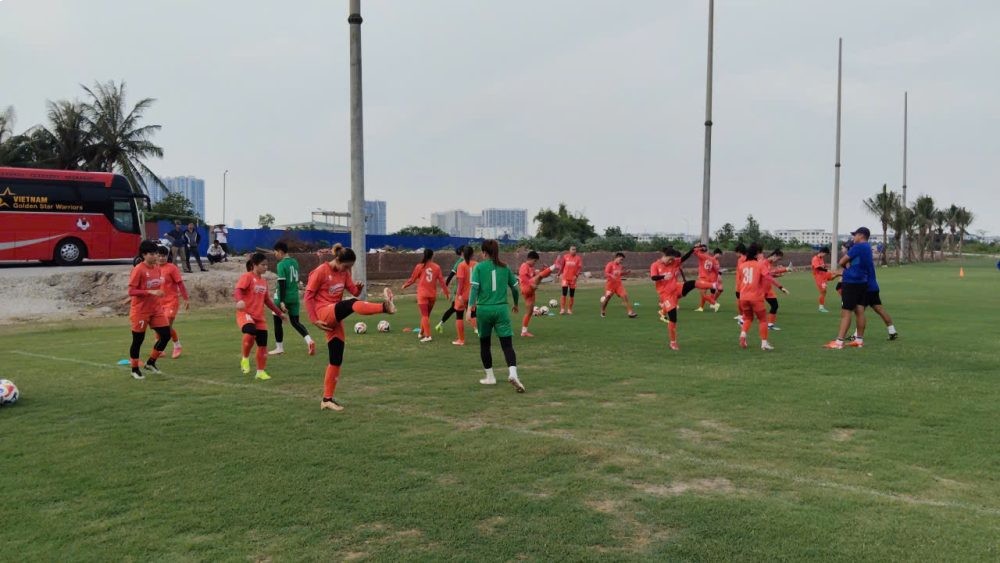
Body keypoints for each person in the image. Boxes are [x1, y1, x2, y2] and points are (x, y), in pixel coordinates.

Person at [304, 243, 396, 412]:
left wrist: (358, 288)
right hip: (323, 313)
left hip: (335, 316)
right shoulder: (321, 271)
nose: (347, 270)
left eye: (350, 268)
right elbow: (308, 297)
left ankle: (327, 399)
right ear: (338, 260)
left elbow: (353, 292)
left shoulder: (344, 273)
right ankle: (384, 307)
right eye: (346, 266)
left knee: (336, 358)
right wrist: (314, 320)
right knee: (351, 304)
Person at [469, 240, 525, 392]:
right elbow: (515, 288)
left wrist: (470, 308)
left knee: (485, 344)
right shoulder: (505, 267)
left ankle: (490, 377)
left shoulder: (479, 267)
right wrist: (515, 303)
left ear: (484, 252)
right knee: (507, 345)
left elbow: (474, 288)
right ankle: (513, 373)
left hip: (484, 310)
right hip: (501, 310)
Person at [234, 253, 285, 380]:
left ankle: (260, 372)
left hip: (259, 317)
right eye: (263, 265)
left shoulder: (263, 281)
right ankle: (245, 359)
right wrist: (239, 300)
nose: (265, 267)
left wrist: (279, 313)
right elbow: (238, 290)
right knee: (250, 331)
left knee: (262, 345)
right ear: (254, 265)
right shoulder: (247, 277)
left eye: (267, 265)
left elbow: (267, 300)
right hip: (245, 313)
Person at [126, 240, 171, 379]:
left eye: (156, 253)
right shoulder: (138, 269)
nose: (155, 256)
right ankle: (134, 369)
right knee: (138, 340)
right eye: (152, 254)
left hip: (155, 309)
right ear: (144, 255)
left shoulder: (157, 268)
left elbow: (155, 286)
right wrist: (150, 292)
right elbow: (131, 291)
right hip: (140, 310)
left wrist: (159, 292)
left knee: (166, 335)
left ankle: (151, 362)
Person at [825, 228, 874, 349]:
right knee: (859, 311)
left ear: (861, 235)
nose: (854, 237)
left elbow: (842, 261)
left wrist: (846, 266)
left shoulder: (858, 247)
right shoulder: (868, 248)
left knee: (846, 312)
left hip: (851, 282)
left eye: (855, 235)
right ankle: (859, 340)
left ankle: (839, 342)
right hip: (863, 281)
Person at [268, 242, 316, 356]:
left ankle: (279, 347)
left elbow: (282, 283)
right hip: (295, 296)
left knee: (277, 321)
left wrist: (282, 301)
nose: (275, 255)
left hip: (283, 297)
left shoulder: (281, 264)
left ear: (280, 251)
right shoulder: (294, 262)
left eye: (275, 252)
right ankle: (309, 341)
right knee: (295, 322)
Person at [737, 243, 786, 350]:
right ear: (756, 254)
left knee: (748, 318)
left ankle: (743, 336)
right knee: (763, 320)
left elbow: (741, 281)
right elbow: (768, 277)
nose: (762, 255)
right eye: (760, 253)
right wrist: (781, 287)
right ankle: (764, 344)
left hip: (743, 297)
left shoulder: (742, 266)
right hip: (755, 297)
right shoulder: (760, 265)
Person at [402, 249, 450, 342]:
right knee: (426, 315)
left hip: (422, 294)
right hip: (432, 295)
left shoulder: (419, 266)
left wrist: (405, 285)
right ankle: (421, 333)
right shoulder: (437, 267)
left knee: (424, 315)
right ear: (432, 256)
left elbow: (412, 279)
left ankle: (428, 336)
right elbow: (442, 282)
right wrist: (446, 292)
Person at [156, 246, 190, 359]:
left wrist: (186, 299)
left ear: (167, 256)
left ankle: (177, 345)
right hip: (157, 303)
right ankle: (159, 349)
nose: (161, 258)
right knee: (158, 326)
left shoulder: (172, 268)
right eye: (159, 256)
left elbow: (180, 284)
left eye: (164, 256)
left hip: (171, 301)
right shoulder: (153, 268)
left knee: (165, 324)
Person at [855, 253, 899, 341]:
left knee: (860, 312)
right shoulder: (869, 261)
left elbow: (859, 275)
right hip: (874, 287)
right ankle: (892, 331)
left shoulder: (861, 261)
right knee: (880, 309)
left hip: (865, 288)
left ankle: (857, 335)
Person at [650, 247, 685, 350]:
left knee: (684, 291)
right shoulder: (655, 265)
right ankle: (673, 342)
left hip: (674, 289)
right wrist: (663, 277)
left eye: (673, 259)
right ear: (665, 256)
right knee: (673, 317)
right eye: (670, 259)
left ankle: (663, 310)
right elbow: (653, 277)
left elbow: (683, 260)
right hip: (665, 294)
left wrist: (694, 249)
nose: (672, 261)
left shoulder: (674, 264)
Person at [518, 251, 556, 337]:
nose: (535, 263)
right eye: (535, 261)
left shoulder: (531, 268)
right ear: (530, 259)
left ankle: (524, 332)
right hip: (526, 288)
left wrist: (544, 270)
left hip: (530, 291)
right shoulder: (524, 266)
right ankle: (555, 265)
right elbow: (523, 277)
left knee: (529, 312)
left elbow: (539, 274)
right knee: (539, 277)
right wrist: (531, 284)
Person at [434, 247, 466, 335]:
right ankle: (440, 324)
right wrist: (444, 287)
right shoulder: (459, 262)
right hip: (459, 291)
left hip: (465, 290)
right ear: (463, 252)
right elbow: (451, 275)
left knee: (457, 309)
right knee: (456, 309)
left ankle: (440, 324)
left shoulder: (468, 262)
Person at [451, 246, 478, 346]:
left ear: (463, 253)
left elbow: (460, 283)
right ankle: (479, 331)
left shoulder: (461, 265)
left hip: (463, 295)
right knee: (473, 314)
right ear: (472, 254)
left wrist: (458, 295)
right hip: (473, 294)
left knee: (459, 317)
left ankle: (461, 340)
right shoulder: (476, 264)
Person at [600, 252, 637, 318]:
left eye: (622, 260)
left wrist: (626, 273)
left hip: (618, 285)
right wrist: (611, 276)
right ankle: (602, 311)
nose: (621, 261)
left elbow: (620, 274)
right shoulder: (610, 264)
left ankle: (630, 312)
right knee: (607, 299)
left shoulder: (620, 266)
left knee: (625, 297)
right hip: (610, 285)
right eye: (621, 259)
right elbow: (606, 273)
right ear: (616, 258)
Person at [763, 249, 790, 331]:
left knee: (775, 306)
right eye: (778, 259)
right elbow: (767, 276)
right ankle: (743, 319)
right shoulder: (764, 263)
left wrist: (780, 274)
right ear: (774, 256)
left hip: (768, 290)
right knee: (756, 308)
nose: (777, 261)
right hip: (761, 289)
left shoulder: (769, 264)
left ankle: (770, 325)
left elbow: (770, 275)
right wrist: (781, 287)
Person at [693, 245, 723, 312]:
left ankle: (714, 303)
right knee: (703, 294)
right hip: (708, 277)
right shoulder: (710, 258)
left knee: (703, 294)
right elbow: (715, 269)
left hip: (702, 277)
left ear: (702, 250)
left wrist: (698, 247)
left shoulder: (702, 256)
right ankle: (701, 307)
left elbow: (694, 251)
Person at [811, 247, 841, 313]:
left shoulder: (821, 258)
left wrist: (826, 268)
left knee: (834, 275)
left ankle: (841, 275)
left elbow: (822, 266)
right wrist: (827, 270)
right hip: (819, 277)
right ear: (822, 252)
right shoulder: (815, 259)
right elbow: (818, 268)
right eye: (826, 254)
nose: (825, 255)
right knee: (823, 291)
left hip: (824, 275)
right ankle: (821, 308)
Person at [558, 245, 583, 314]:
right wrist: (559, 273)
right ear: (569, 250)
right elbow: (562, 266)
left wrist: (576, 275)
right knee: (564, 293)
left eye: (575, 249)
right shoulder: (565, 257)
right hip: (565, 278)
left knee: (572, 295)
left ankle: (569, 309)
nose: (574, 251)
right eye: (572, 249)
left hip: (573, 279)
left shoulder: (578, 258)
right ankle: (562, 309)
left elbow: (579, 268)